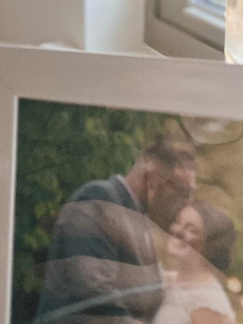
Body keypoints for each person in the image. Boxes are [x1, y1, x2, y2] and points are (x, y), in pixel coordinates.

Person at [36, 135, 197, 323]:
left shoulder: (139, 221)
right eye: (184, 192)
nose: (187, 203)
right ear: (152, 179)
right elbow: (94, 297)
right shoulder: (98, 201)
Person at [154, 201, 236, 324]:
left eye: (191, 230)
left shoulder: (207, 304)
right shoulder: (168, 280)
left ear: (210, 247)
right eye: (178, 221)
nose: (177, 230)